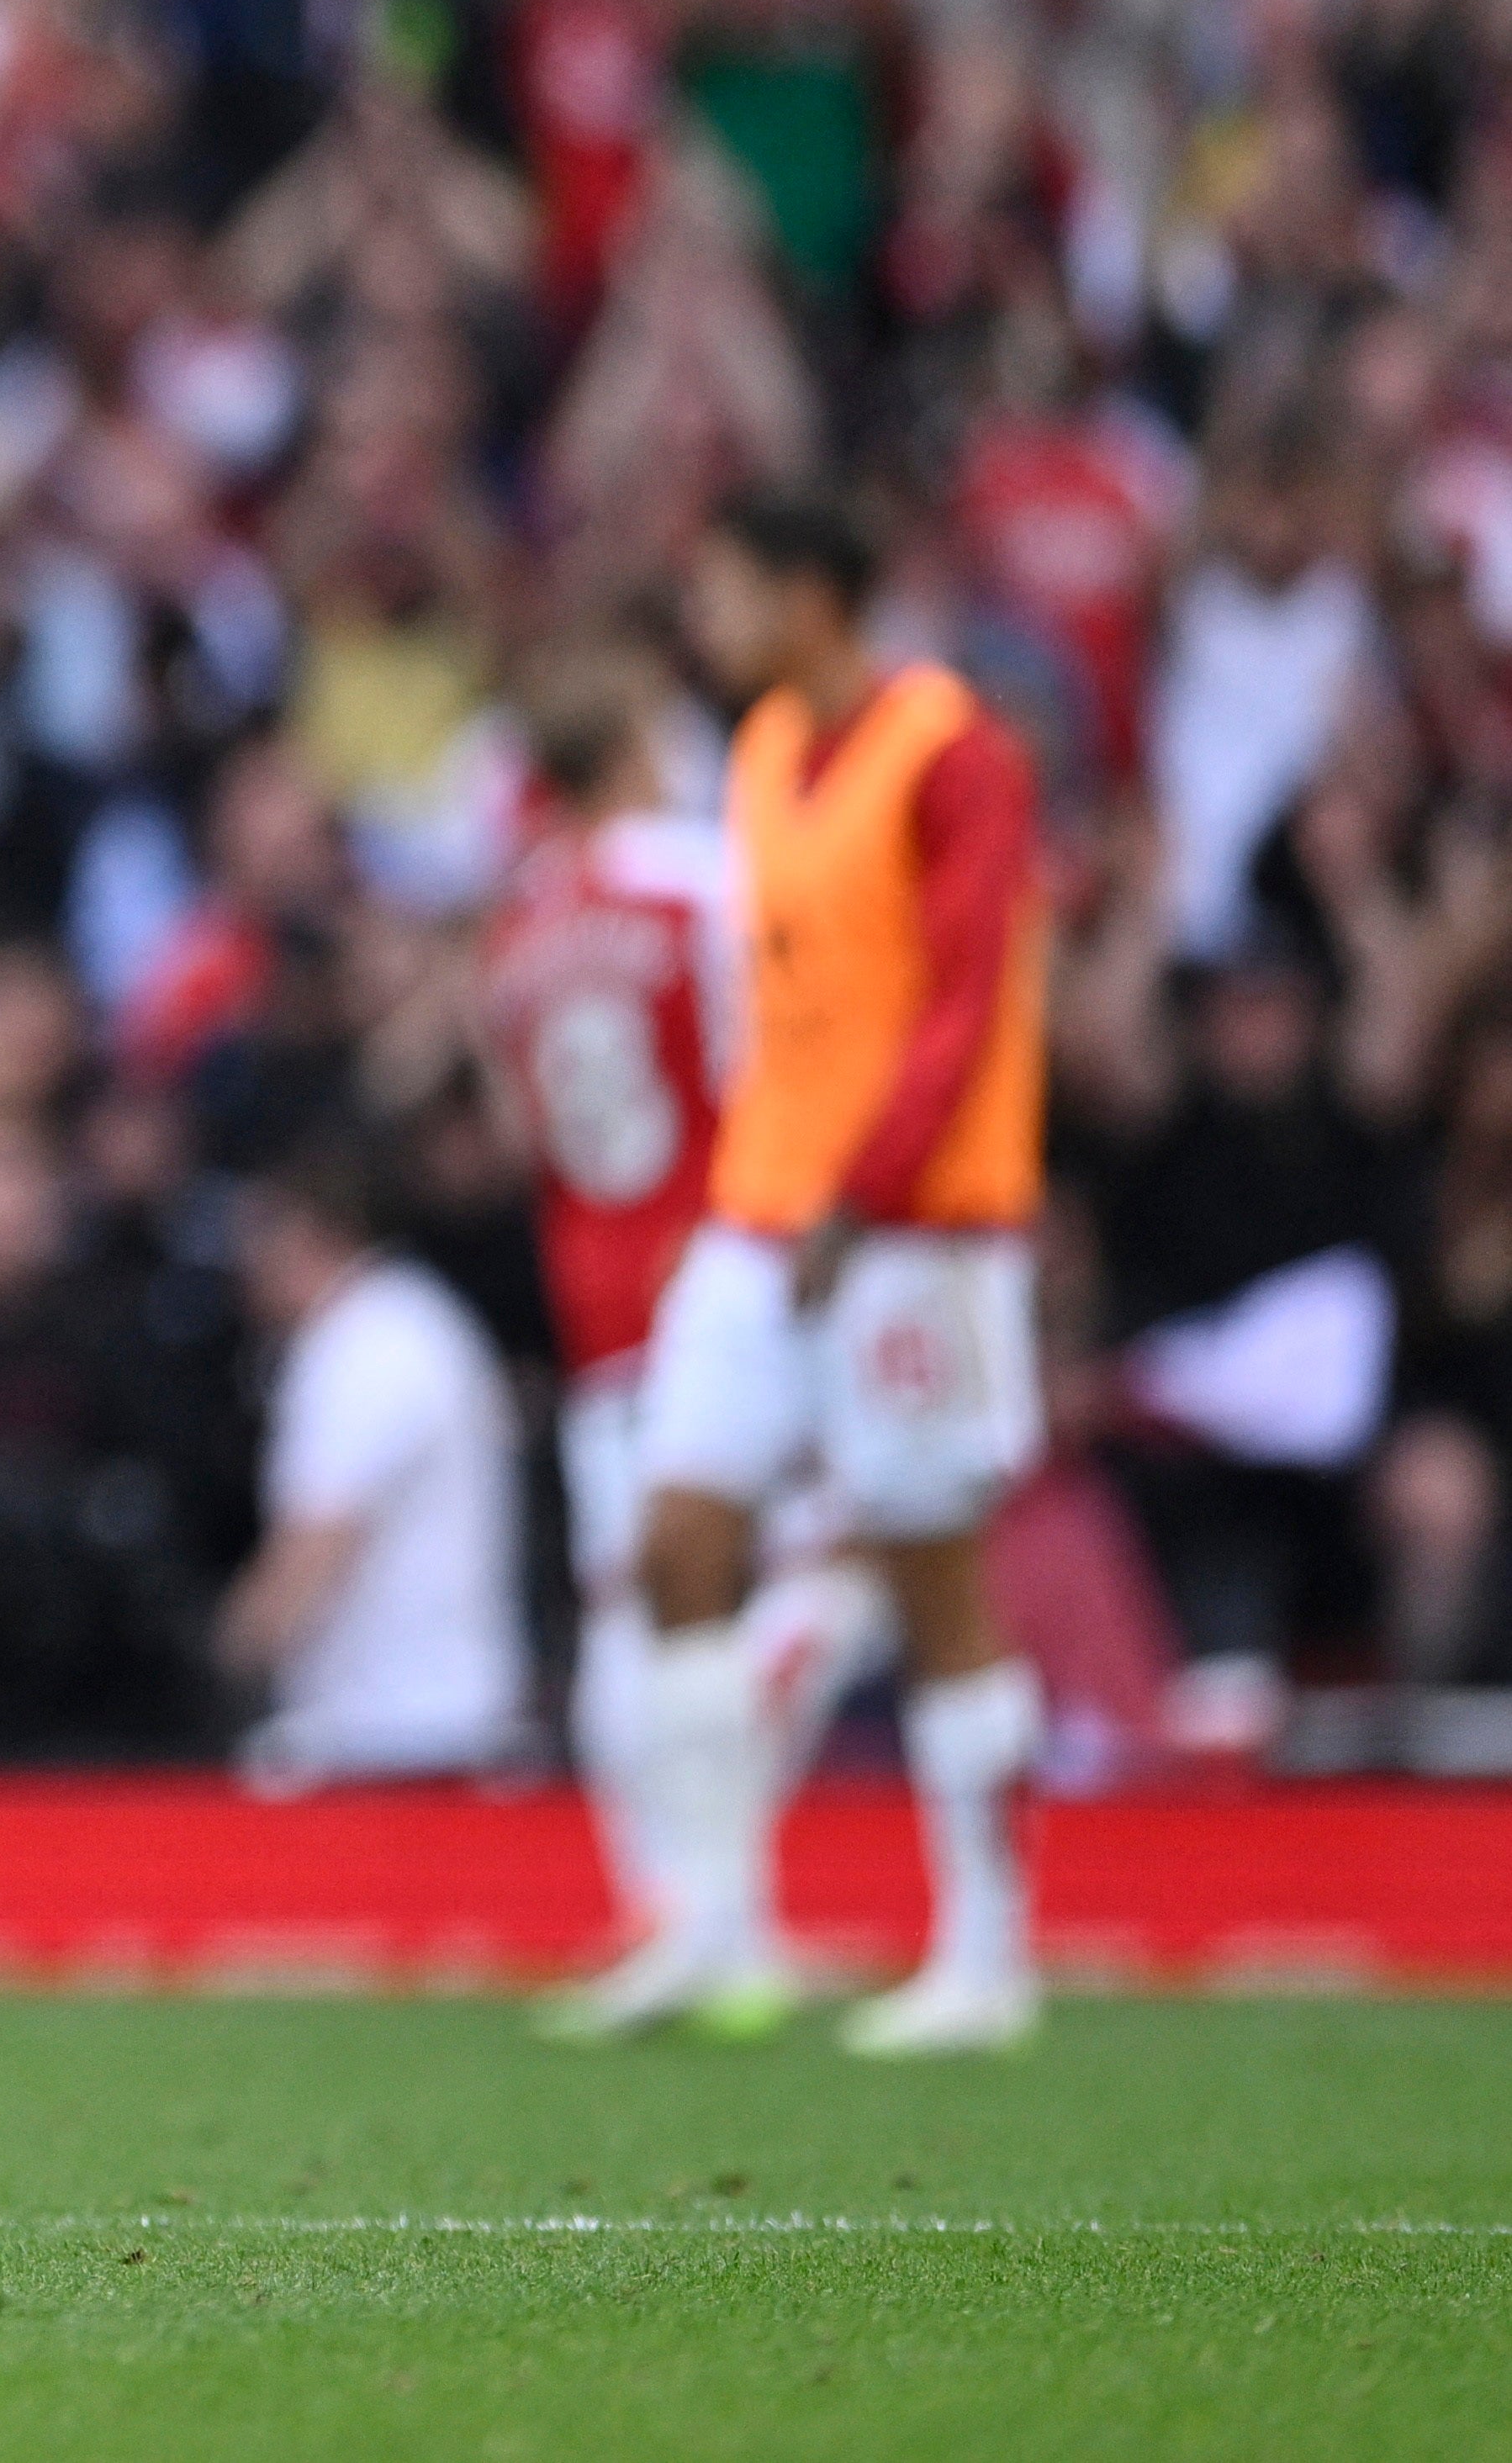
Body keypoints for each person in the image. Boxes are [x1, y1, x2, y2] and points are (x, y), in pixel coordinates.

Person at [586, 491, 1054, 2057]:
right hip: (764, 1205)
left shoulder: (954, 751)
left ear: (809, 592)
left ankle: (986, 1953)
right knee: (676, 1538)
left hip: (915, 1225)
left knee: (935, 1572)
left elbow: (967, 991)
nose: (706, 623)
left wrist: (872, 1185)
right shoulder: (763, 751)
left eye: (725, 589)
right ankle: (718, 1930)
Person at [479, 655, 887, 2001]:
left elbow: (518, 1128)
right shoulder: (701, 878)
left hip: (589, 1283)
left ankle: (677, 1911)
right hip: (720, 1264)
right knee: (841, 1568)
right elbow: (783, 1043)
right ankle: (715, 1900)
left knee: (624, 1603)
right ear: (638, 748)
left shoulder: (516, 929)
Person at [215, 1120, 529, 1787]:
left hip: (400, 1735)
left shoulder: (366, 1347)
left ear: (305, 1235)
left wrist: (216, 1665)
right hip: (429, 1721)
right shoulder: (409, 1322)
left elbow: (315, 1546)